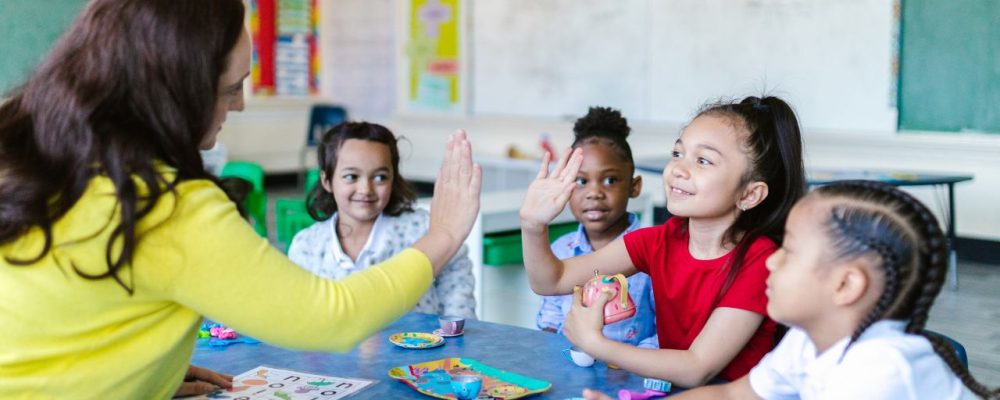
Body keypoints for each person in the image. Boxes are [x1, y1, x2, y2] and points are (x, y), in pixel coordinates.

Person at [0, 0, 482, 398]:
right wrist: (442, 233)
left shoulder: (28, 152)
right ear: (175, 92)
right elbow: (334, 317)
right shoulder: (164, 205)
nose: (240, 104)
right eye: (230, 88)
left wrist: (145, 376)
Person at [585, 181, 997, 399]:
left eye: (791, 251)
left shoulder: (879, 371)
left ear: (845, 284)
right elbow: (733, 396)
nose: (771, 259)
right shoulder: (807, 343)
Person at [520, 96, 807, 387]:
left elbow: (697, 367)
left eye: (703, 160)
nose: (678, 170)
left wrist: (596, 344)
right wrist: (533, 225)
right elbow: (552, 281)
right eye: (678, 153)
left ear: (749, 194)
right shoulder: (659, 240)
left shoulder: (761, 261)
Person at [288, 122, 476, 319]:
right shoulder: (306, 245)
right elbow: (300, 317)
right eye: (351, 176)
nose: (365, 189)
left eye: (380, 178)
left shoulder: (425, 230)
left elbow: (458, 290)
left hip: (421, 349)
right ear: (327, 181)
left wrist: (456, 340)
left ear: (393, 179)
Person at [535, 107, 657, 349]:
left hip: (630, 376)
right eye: (581, 181)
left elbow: (666, 333)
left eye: (610, 180)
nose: (594, 193)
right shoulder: (560, 250)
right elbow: (551, 320)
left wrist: (629, 365)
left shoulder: (654, 254)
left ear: (634, 187)